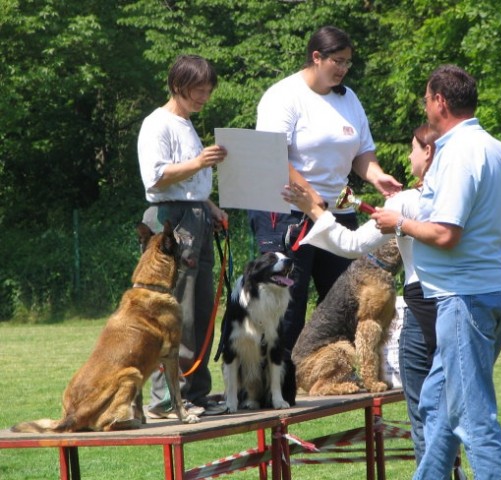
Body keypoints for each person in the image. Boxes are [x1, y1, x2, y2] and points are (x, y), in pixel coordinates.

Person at [373, 65, 501, 479]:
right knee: (439, 409)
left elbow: (445, 233)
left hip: (464, 297)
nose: (425, 104)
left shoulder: (456, 153)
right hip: (496, 287)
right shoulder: (496, 147)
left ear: (440, 101)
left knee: (474, 419)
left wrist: (398, 223)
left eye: (425, 98)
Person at [282, 124, 438, 463]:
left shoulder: (407, 204)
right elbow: (367, 331)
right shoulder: (450, 194)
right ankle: (335, 383)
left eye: (413, 149)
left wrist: (312, 207)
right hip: (313, 359)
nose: (409, 155)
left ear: (428, 153)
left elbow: (351, 243)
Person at [249, 25, 402, 356]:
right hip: (288, 213)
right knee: (288, 304)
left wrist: (377, 176)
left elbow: (363, 153)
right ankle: (273, 392)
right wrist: (307, 192)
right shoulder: (283, 96)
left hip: (337, 213)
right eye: (338, 61)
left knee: (345, 301)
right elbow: (271, 156)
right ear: (316, 57)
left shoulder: (349, 99)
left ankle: (338, 379)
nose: (344, 69)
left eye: (348, 62)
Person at [137, 54, 228, 418]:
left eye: (208, 91)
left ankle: (196, 392)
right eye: (198, 91)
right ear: (178, 86)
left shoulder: (186, 123)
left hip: (194, 217)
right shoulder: (157, 124)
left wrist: (210, 206)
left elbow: (188, 183)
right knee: (176, 313)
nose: (204, 97)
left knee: (202, 309)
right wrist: (200, 163)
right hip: (171, 222)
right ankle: (165, 399)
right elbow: (156, 179)